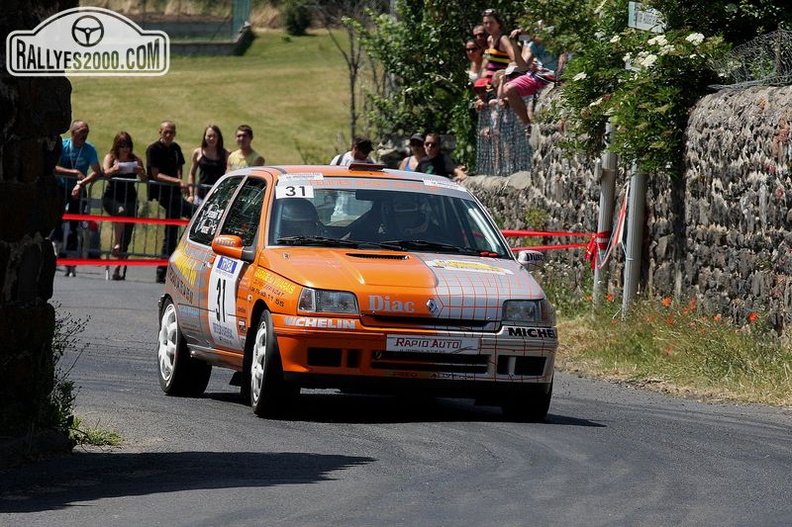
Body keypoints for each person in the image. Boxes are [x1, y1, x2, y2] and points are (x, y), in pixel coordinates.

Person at [75, 131, 147, 280]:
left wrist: (140, 172)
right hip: (112, 197)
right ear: (117, 146)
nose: (125, 149)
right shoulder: (111, 157)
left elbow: (145, 179)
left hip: (130, 198)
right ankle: (116, 244)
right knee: (121, 212)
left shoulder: (136, 159)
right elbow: (104, 173)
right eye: (122, 145)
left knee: (127, 235)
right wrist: (113, 170)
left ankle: (118, 269)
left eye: (127, 145)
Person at [54, 120, 103, 277]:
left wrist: (81, 183)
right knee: (57, 220)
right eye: (82, 131)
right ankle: (54, 251)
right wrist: (73, 173)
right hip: (61, 187)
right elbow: (54, 167)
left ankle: (71, 262)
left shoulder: (89, 149)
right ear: (73, 133)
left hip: (78, 190)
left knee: (75, 225)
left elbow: (97, 171)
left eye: (87, 132)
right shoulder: (64, 146)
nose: (85, 135)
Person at [146, 120, 193, 284]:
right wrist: (178, 182)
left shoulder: (175, 148)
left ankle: (167, 268)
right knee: (172, 232)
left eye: (171, 132)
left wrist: (180, 181)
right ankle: (162, 270)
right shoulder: (153, 149)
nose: (168, 135)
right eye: (166, 132)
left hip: (175, 195)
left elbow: (180, 167)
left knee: (174, 231)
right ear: (160, 132)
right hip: (163, 194)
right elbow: (155, 175)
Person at [478, 8, 527, 109]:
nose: (488, 26)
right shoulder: (490, 39)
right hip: (487, 83)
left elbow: (514, 59)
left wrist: (502, 73)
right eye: (485, 23)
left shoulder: (503, 39)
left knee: (493, 104)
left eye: (491, 22)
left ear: (498, 23)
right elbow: (487, 60)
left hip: (497, 83)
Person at [188, 124, 229, 205]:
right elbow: (192, 174)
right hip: (201, 197)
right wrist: (191, 195)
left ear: (218, 138)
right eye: (209, 136)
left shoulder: (226, 153)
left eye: (214, 136)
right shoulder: (198, 152)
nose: (211, 138)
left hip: (219, 197)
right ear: (204, 137)